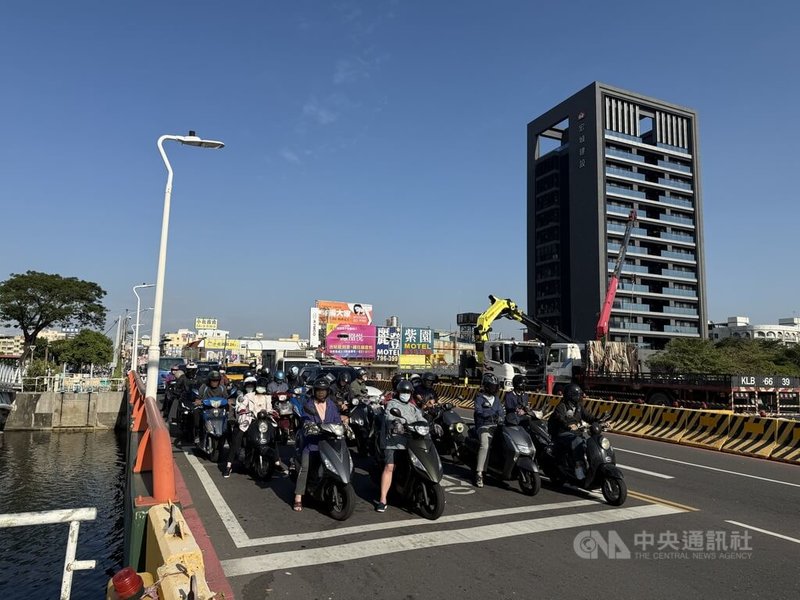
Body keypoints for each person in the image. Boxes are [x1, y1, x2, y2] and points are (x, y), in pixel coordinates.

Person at [292, 377, 343, 512]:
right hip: (312, 444)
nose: (321, 393)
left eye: (323, 391)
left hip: (329, 442)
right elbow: (305, 420)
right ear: (314, 391)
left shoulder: (331, 405)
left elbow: (337, 420)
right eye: (319, 391)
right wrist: (309, 426)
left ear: (327, 392)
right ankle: (298, 497)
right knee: (305, 467)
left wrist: (343, 426)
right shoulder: (308, 406)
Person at [376, 379, 424, 513]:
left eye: (408, 392)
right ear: (398, 392)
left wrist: (428, 425)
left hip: (410, 442)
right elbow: (389, 417)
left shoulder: (412, 407)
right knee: (389, 467)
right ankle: (383, 499)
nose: (406, 394)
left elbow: (421, 418)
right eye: (403, 392)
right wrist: (398, 422)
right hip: (392, 441)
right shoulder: (392, 404)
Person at [548, 383, 598, 476]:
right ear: (571, 396)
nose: (580, 397)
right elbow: (560, 418)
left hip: (576, 433)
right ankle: (579, 469)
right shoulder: (561, 406)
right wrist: (568, 425)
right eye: (577, 395)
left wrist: (599, 421)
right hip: (563, 434)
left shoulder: (579, 406)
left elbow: (588, 417)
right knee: (577, 441)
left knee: (589, 443)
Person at [223, 376, 263, 478]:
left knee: (271, 433)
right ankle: (228, 466)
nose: (250, 387)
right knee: (236, 440)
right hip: (244, 422)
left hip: (258, 421)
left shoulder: (260, 396)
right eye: (248, 385)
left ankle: (276, 461)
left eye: (252, 385)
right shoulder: (241, 396)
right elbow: (239, 406)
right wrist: (241, 410)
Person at [473, 373, 504, 487]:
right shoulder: (479, 398)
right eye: (492, 386)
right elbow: (478, 412)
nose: (494, 389)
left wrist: (502, 417)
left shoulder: (496, 399)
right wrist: (489, 415)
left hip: (497, 426)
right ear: (486, 386)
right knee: (485, 445)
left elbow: (501, 412)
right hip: (483, 426)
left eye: (496, 386)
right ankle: (479, 473)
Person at [194, 370, 228, 445]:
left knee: (228, 420)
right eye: (213, 380)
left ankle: (228, 438)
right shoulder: (204, 387)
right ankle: (198, 435)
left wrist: (229, 401)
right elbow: (198, 397)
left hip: (219, 410)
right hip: (207, 410)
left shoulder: (222, 388)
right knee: (196, 414)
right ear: (209, 380)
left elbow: (226, 397)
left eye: (216, 381)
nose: (214, 382)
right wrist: (198, 401)